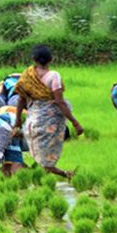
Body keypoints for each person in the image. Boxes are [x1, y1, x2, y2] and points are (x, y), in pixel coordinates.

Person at [14, 45, 84, 178]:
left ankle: (46, 176)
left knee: (41, 156)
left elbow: (21, 100)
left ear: (34, 59)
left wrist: (17, 121)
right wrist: (75, 123)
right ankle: (63, 175)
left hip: (33, 121)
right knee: (47, 157)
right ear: (51, 59)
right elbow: (60, 102)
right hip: (49, 122)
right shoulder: (53, 76)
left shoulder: (27, 76)